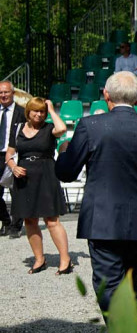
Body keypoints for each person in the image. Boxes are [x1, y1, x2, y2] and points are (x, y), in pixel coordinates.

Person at [55, 72, 137, 310]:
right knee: (129, 282)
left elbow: (66, 173)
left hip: (102, 218)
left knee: (107, 284)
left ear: (106, 95)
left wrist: (64, 151)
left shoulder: (90, 126)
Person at [5, 97, 71, 274]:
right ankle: (39, 259)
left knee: (51, 220)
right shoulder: (18, 128)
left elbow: (63, 128)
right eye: (36, 110)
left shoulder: (49, 129)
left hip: (46, 174)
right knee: (29, 219)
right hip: (24, 176)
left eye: (41, 111)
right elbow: (9, 154)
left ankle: (65, 259)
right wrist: (13, 167)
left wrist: (50, 108)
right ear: (28, 111)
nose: (39, 114)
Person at [0, 81, 26, 238]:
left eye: (5, 92)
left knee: (16, 191)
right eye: (0, 93)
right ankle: (5, 221)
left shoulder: (22, 112)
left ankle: (16, 226)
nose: (3, 95)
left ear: (13, 93)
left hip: (15, 154)